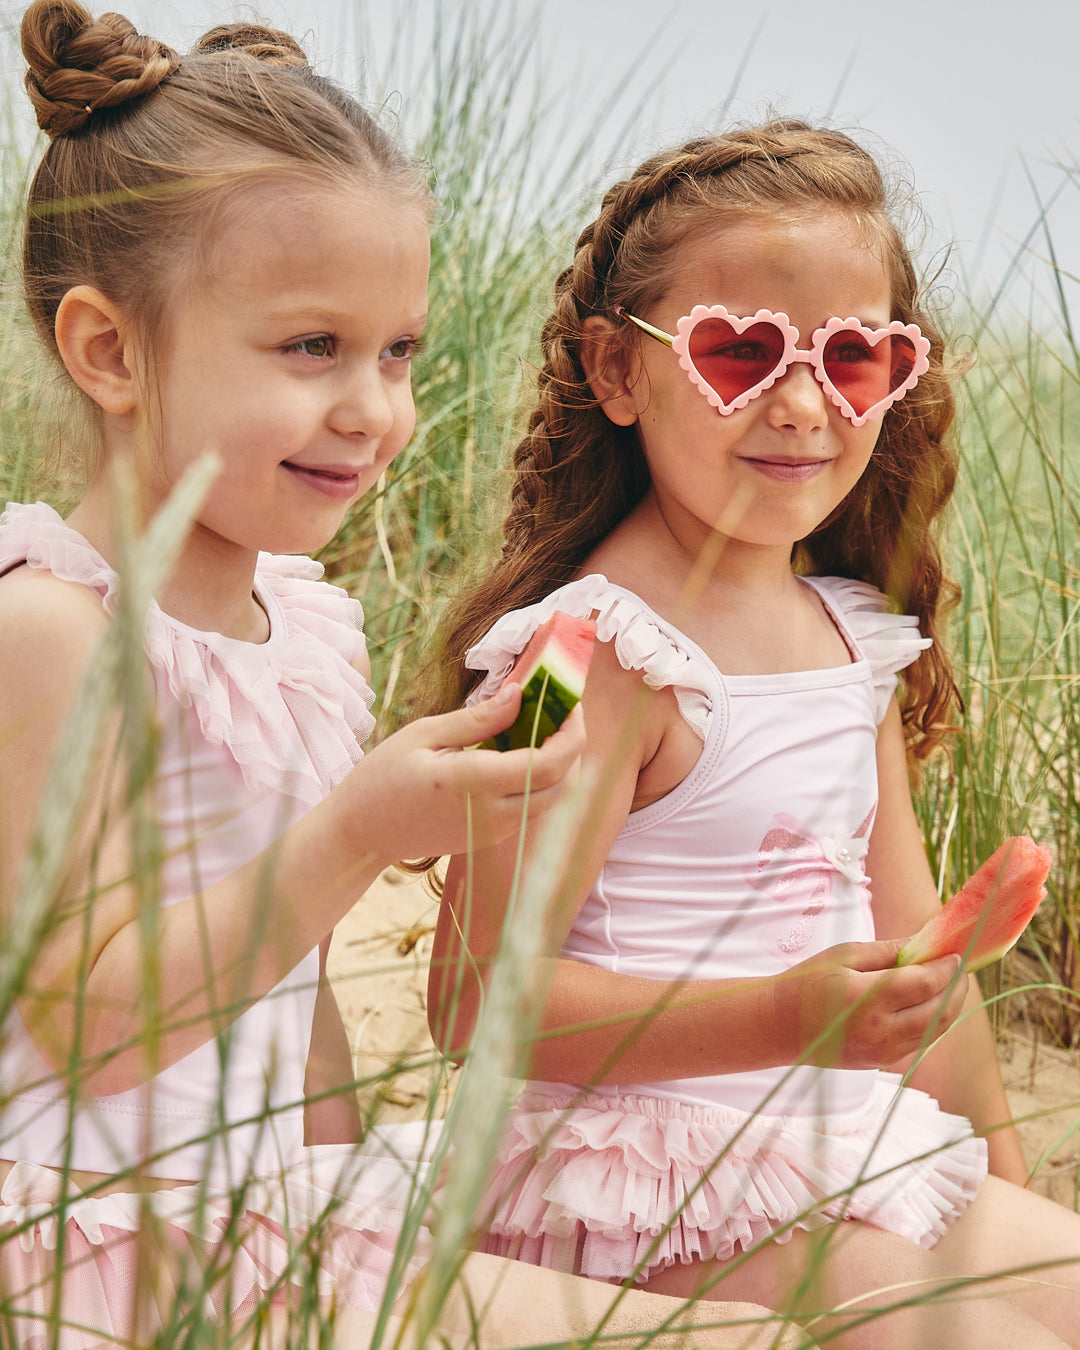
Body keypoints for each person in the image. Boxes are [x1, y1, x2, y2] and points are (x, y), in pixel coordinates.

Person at [0, 6, 799, 1347]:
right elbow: (92, 1029)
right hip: (96, 1231)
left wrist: (355, 1190)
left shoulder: (300, 625)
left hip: (263, 1206)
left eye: (400, 351)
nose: (375, 409)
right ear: (108, 351)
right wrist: (361, 829)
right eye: (311, 347)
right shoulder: (55, 632)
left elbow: (297, 1005)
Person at [426, 120, 1080, 1349]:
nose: (803, 404)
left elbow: (919, 964)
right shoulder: (579, 656)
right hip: (635, 1196)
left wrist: (1001, 1181)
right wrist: (785, 1021)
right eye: (739, 353)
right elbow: (471, 998)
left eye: (856, 358)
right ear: (616, 372)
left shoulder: (854, 639)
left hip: (840, 1151)